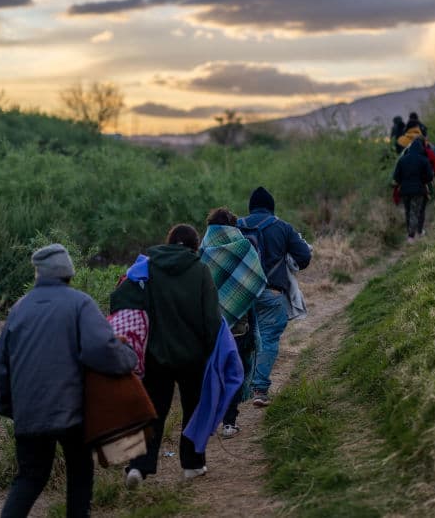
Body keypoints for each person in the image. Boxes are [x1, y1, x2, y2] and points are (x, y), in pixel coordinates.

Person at [0, 243, 137, 518]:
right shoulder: (79, 303)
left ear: (39, 274)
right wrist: (128, 359)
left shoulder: (18, 309)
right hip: (72, 412)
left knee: (30, 478)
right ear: (68, 273)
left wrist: (9, 408)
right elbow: (101, 349)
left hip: (29, 413)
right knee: (80, 474)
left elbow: (2, 366)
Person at [115, 225, 221, 488]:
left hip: (155, 357)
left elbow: (120, 300)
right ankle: (192, 466)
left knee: (152, 412)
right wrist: (212, 352)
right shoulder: (200, 271)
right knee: (194, 410)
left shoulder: (147, 268)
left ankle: (138, 467)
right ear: (196, 246)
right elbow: (211, 319)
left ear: (169, 242)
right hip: (192, 358)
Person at [238, 187, 312, 407]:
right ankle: (259, 389)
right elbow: (304, 257)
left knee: (242, 340)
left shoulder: (236, 226)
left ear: (251, 207)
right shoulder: (282, 227)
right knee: (268, 338)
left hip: (240, 295)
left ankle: (236, 394)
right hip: (271, 292)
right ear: (271, 207)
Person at [199, 207, 267, 438]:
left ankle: (211, 420)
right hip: (239, 325)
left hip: (209, 326)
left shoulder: (202, 251)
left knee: (213, 372)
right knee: (234, 372)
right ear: (232, 226)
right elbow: (255, 280)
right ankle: (229, 422)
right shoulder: (245, 248)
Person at [393, 136, 434, 242]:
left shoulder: (402, 160)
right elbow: (430, 176)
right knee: (415, 211)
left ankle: (410, 233)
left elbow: (396, 177)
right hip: (419, 190)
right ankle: (412, 235)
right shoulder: (424, 160)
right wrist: (422, 181)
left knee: (408, 211)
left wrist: (403, 181)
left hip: (405, 191)